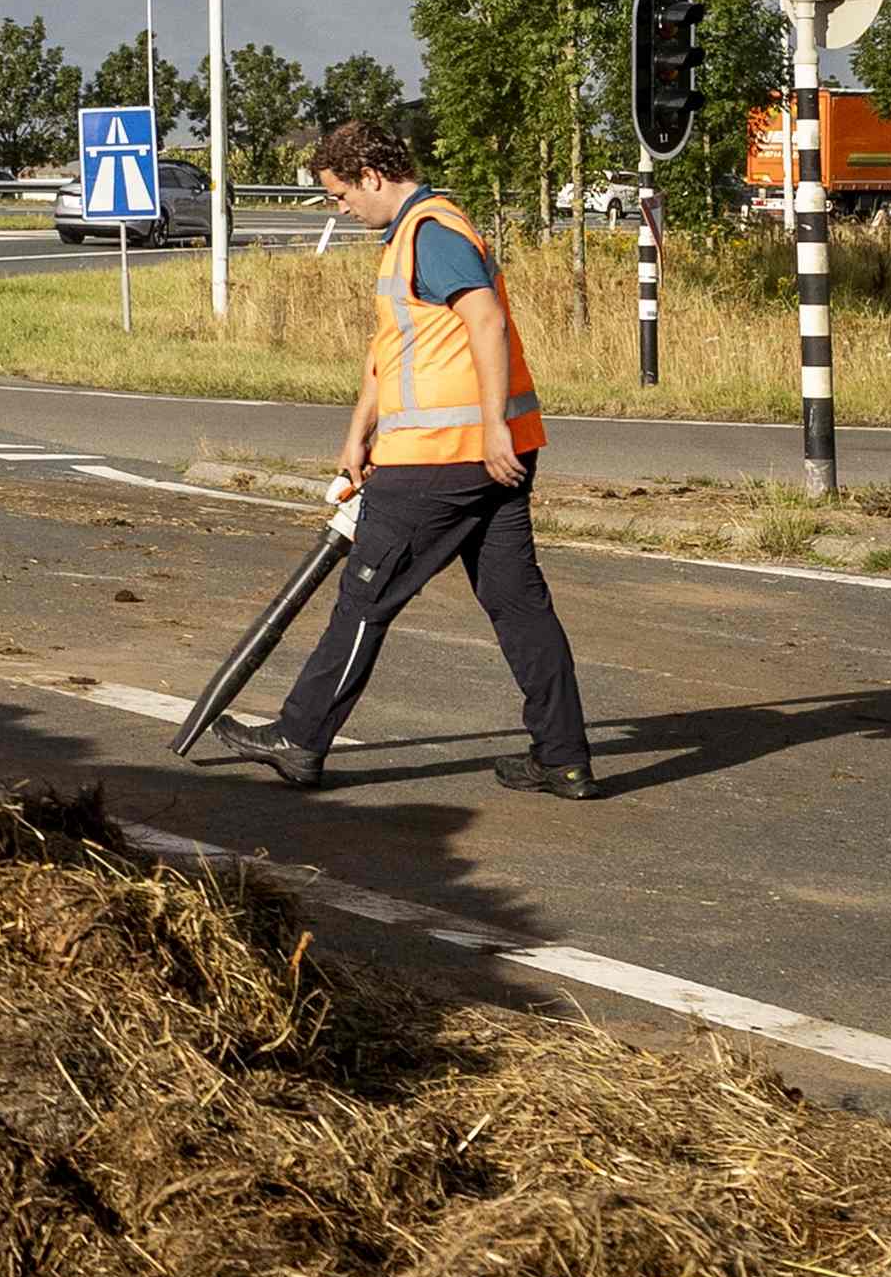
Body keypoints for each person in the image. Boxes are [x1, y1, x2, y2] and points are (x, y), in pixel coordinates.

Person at [198, 113, 598, 799]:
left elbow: (487, 323)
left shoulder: (433, 233)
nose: (340, 207)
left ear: (373, 176)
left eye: (341, 193)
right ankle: (563, 756)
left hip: (444, 459)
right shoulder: (407, 237)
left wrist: (497, 427)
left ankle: (301, 738)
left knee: (364, 596)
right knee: (516, 602)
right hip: (479, 456)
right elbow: (394, 351)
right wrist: (358, 429)